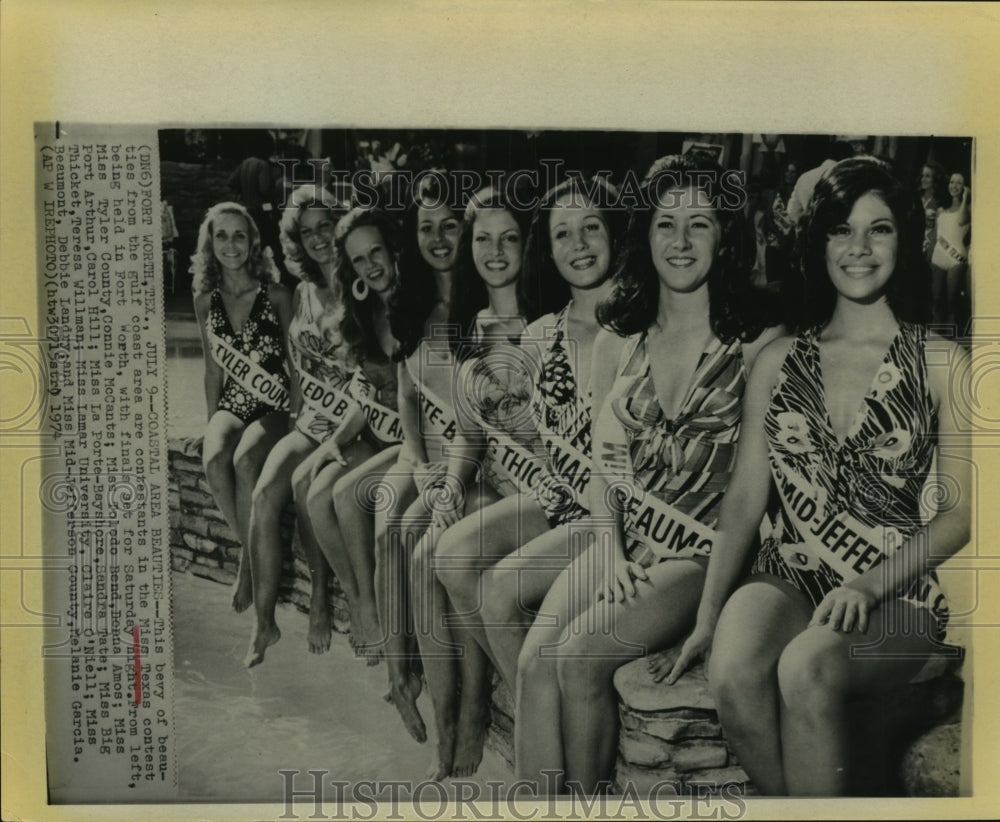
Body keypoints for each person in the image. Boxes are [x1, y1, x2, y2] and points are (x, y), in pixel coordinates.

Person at [665, 156, 971, 796]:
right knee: (732, 668)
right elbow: (745, 500)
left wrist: (867, 583)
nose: (858, 248)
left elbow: (962, 516)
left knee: (806, 664)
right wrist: (708, 613)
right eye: (840, 229)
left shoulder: (942, 361)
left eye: (878, 229)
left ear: (906, 239)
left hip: (894, 588)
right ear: (818, 242)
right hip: (790, 573)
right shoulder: (779, 361)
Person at [512, 154, 782, 795]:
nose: (681, 242)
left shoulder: (757, 343)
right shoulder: (616, 340)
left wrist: (711, 616)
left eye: (700, 224)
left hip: (699, 550)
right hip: (626, 539)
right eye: (666, 223)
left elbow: (749, 494)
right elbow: (606, 469)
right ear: (646, 233)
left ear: (726, 235)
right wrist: (607, 547)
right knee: (532, 663)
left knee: (578, 659)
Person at [434, 175, 625, 711]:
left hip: (612, 512)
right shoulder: (539, 332)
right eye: (563, 233)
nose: (579, 244)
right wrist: (452, 482)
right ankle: (527, 712)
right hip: (558, 498)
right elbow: (478, 427)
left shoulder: (638, 326)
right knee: (446, 556)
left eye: (592, 228)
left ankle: (524, 716)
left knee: (495, 585)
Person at [409, 181, 539, 779]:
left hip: (544, 496)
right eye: (482, 238)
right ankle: (451, 717)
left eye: (508, 237)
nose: (494, 250)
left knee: (452, 560)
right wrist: (450, 489)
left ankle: (480, 707)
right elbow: (469, 434)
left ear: (525, 245)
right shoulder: (471, 327)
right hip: (493, 484)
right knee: (422, 554)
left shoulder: (549, 324)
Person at [241, 186, 365, 668]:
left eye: (325, 226)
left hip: (355, 426)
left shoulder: (360, 287)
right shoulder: (302, 291)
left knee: (301, 487)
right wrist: (294, 419)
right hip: (312, 419)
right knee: (263, 493)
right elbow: (297, 368)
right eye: (306, 231)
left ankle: (319, 597)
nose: (318, 238)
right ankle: (264, 622)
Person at [371, 174, 470, 743]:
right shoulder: (407, 303)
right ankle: (399, 676)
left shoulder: (483, 300)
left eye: (449, 225)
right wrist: (417, 461)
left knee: (413, 534)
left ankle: (442, 702)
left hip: (473, 464)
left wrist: (444, 481)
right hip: (427, 455)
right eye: (425, 227)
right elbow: (407, 399)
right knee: (389, 528)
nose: (437, 238)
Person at [306, 206, 405, 661]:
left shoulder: (416, 304)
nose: (371, 266)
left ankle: (370, 611)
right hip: (379, 436)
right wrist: (336, 439)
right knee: (315, 493)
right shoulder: (363, 312)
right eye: (359, 260)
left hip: (416, 444)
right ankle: (357, 598)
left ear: (392, 249)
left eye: (376, 252)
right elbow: (365, 400)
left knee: (345, 494)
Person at [191, 202, 292, 615]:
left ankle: (247, 569)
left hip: (274, 404)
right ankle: (252, 553)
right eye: (221, 235)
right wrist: (213, 420)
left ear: (252, 242)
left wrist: (300, 416)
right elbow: (213, 371)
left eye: (239, 235)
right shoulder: (204, 301)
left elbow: (296, 364)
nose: (230, 244)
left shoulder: (279, 295)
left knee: (248, 458)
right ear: (209, 243)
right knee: (215, 458)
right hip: (234, 403)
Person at [929, 171, 971, 329]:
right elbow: (935, 236)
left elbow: (961, 221)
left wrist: (966, 196)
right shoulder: (941, 210)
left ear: (965, 186)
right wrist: (929, 256)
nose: (954, 186)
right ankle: (936, 335)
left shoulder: (968, 209)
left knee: (951, 301)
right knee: (936, 299)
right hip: (937, 257)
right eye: (952, 182)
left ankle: (950, 336)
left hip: (956, 259)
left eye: (959, 183)